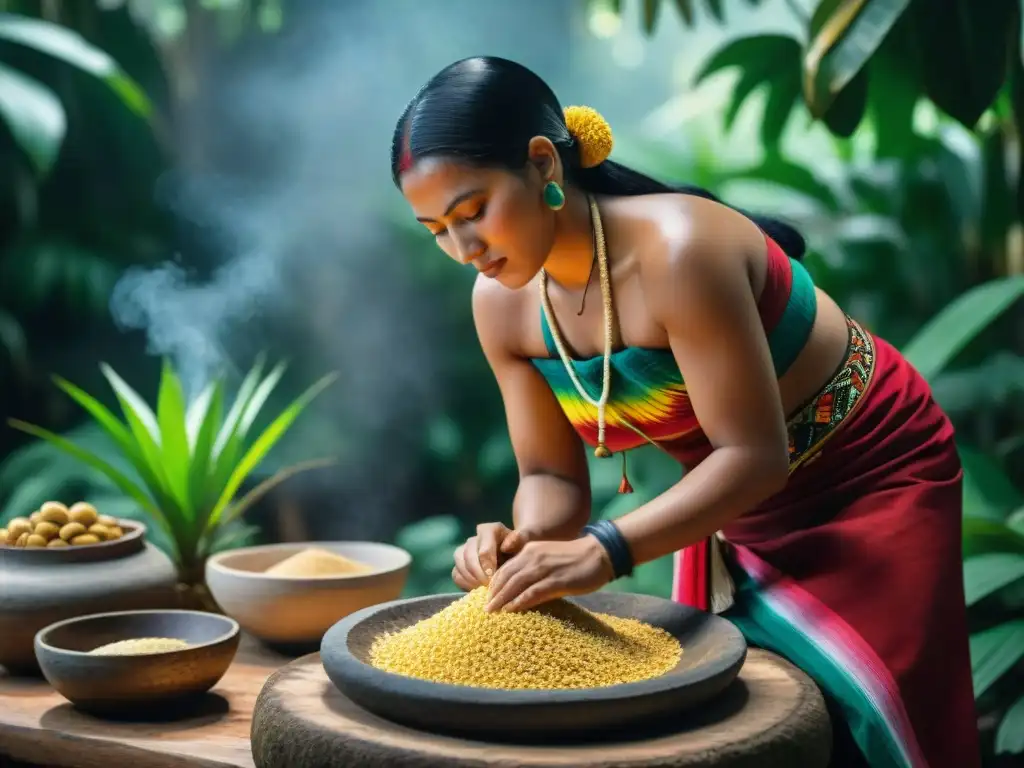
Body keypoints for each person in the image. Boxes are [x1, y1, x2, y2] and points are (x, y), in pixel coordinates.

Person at [391, 55, 980, 768]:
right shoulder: (502, 305)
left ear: (543, 163)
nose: (463, 249)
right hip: (732, 503)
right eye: (436, 230)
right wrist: (523, 545)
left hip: (872, 479)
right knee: (739, 729)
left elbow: (754, 455)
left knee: (861, 724)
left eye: (473, 211)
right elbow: (551, 476)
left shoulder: (679, 252)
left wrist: (604, 550)